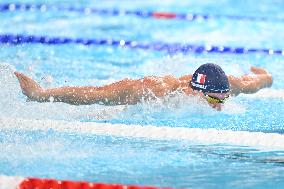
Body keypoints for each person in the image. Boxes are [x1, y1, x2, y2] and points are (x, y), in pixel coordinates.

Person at [14, 63, 273, 111]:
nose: (221, 105)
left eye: (224, 98)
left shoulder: (229, 86)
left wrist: (265, 74)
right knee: (103, 106)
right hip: (127, 107)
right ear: (195, 91)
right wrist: (41, 95)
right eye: (216, 101)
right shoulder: (156, 90)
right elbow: (96, 94)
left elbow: (260, 82)